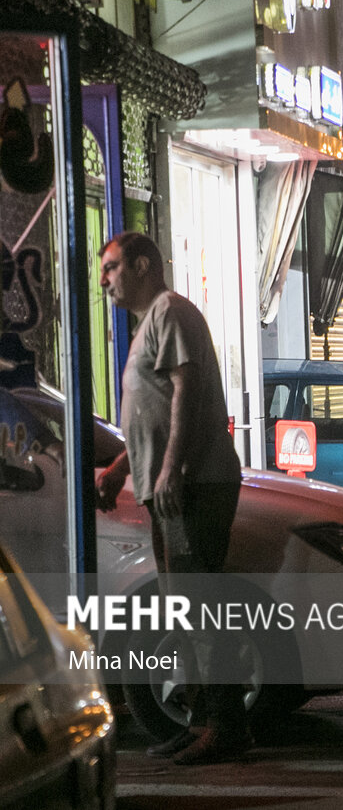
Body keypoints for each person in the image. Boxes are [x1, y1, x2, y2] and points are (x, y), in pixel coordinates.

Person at [94, 232, 251, 765]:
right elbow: (154, 411)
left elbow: (188, 389)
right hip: (174, 487)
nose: (103, 280)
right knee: (185, 609)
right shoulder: (151, 322)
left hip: (194, 486)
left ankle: (225, 726)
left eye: (111, 267)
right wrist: (122, 468)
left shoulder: (170, 312)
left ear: (142, 265)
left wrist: (170, 470)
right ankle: (205, 719)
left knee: (200, 606)